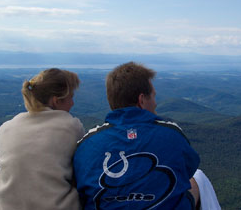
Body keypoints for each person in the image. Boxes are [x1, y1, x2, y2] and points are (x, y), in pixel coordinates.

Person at [74, 62, 204, 209]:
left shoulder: (86, 144)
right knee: (197, 181)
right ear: (141, 100)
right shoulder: (172, 134)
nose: (155, 104)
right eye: (153, 97)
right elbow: (189, 168)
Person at [0, 68, 85, 210]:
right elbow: (83, 170)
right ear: (56, 101)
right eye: (71, 97)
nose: (72, 103)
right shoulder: (72, 126)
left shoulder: (6, 127)